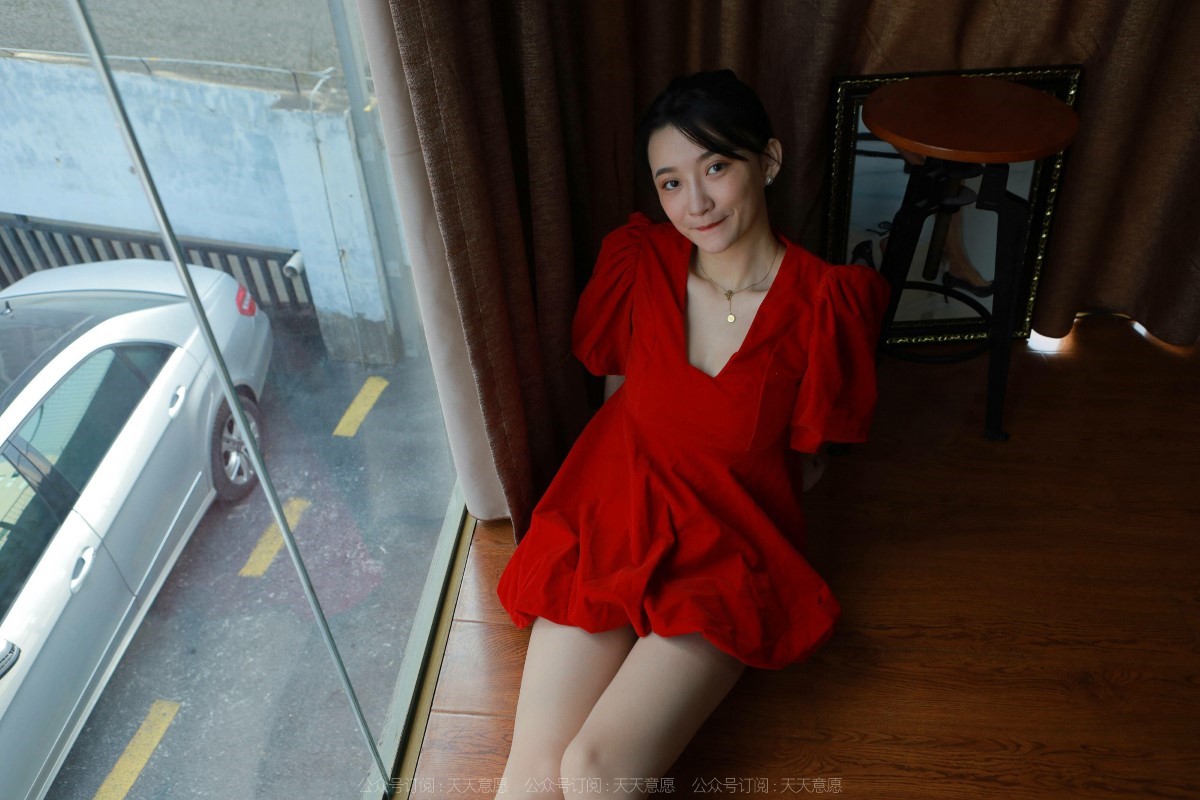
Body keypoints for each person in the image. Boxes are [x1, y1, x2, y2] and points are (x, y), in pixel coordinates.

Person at [495, 69, 891, 797]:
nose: (695, 203)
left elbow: (809, 460)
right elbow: (621, 395)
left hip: (728, 547)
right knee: (531, 776)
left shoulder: (825, 304)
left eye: (715, 167)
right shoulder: (639, 260)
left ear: (767, 160)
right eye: (670, 182)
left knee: (593, 774)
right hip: (613, 514)